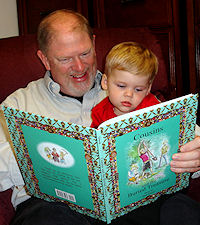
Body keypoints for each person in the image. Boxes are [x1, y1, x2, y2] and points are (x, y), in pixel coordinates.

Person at [0, 9, 200, 225]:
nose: (79, 67)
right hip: (54, 204)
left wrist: (195, 154)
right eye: (65, 59)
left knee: (182, 209)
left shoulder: (130, 88)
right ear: (45, 59)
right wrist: (36, 158)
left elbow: (184, 133)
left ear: (94, 45)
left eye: (85, 53)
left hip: (137, 200)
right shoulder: (18, 105)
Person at [91, 41, 160, 128]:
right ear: (105, 82)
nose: (129, 94)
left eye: (138, 89)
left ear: (148, 89)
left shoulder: (153, 108)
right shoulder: (100, 113)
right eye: (121, 86)